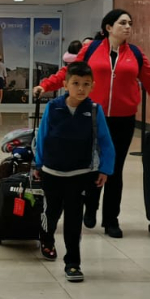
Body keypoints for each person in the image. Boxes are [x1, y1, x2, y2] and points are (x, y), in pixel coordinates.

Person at [35, 9, 150, 238]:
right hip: (93, 115)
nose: (128, 27)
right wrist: (46, 85)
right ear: (109, 27)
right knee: (92, 165)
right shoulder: (92, 49)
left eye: (130, 23)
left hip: (123, 119)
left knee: (114, 169)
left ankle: (111, 219)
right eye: (122, 23)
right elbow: (69, 72)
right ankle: (90, 207)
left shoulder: (136, 54)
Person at [33, 61, 115, 283]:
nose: (81, 88)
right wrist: (38, 164)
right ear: (65, 84)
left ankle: (72, 263)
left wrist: (105, 169)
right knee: (51, 214)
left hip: (80, 175)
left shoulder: (94, 111)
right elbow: (41, 137)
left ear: (93, 86)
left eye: (86, 84)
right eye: (76, 83)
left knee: (73, 220)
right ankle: (47, 238)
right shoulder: (54, 108)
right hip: (51, 172)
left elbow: (106, 143)